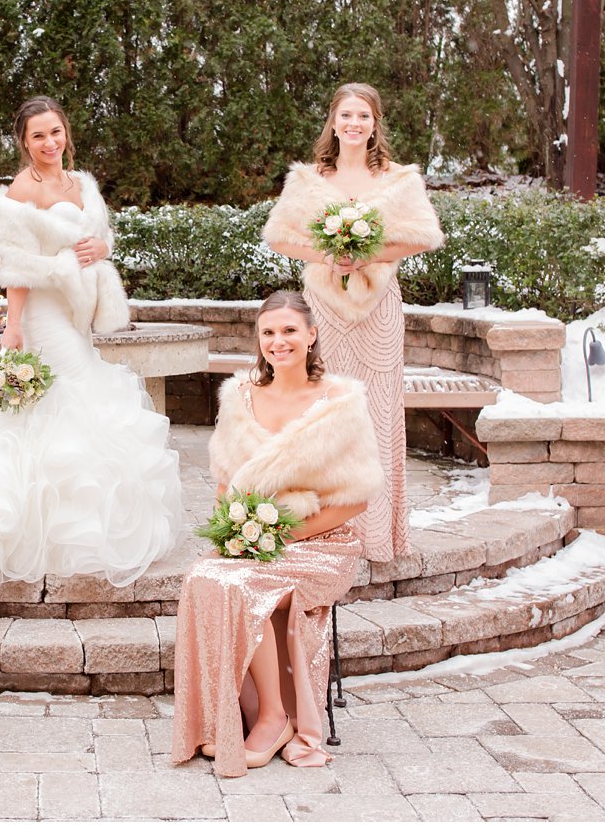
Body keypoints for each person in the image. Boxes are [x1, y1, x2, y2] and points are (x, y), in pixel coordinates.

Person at [0, 95, 183, 593]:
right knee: (77, 392)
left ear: (66, 132)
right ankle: (53, 527)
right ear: (24, 141)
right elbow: (14, 263)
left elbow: (99, 239)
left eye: (55, 131)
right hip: (42, 310)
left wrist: (102, 248)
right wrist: (13, 325)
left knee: (62, 403)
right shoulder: (22, 188)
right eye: (38, 135)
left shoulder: (81, 184)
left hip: (77, 310)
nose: (49, 143)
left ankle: (69, 516)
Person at [172, 291, 384, 777]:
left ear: (311, 335)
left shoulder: (340, 402)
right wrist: (240, 532)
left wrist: (283, 536)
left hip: (323, 545)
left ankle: (275, 716)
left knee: (243, 588)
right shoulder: (239, 397)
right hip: (254, 541)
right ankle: (223, 717)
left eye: (289, 330)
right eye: (268, 332)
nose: (278, 341)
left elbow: (356, 500)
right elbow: (227, 484)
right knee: (203, 577)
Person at [261, 83, 443, 562]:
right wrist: (329, 254)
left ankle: (378, 534)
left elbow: (424, 236)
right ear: (334, 122)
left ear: (375, 123)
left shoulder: (399, 180)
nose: (354, 123)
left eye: (363, 115)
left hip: (379, 309)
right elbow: (279, 236)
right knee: (326, 408)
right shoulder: (308, 180)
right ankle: (326, 527)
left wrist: (365, 256)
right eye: (346, 115)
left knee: (379, 412)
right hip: (324, 309)